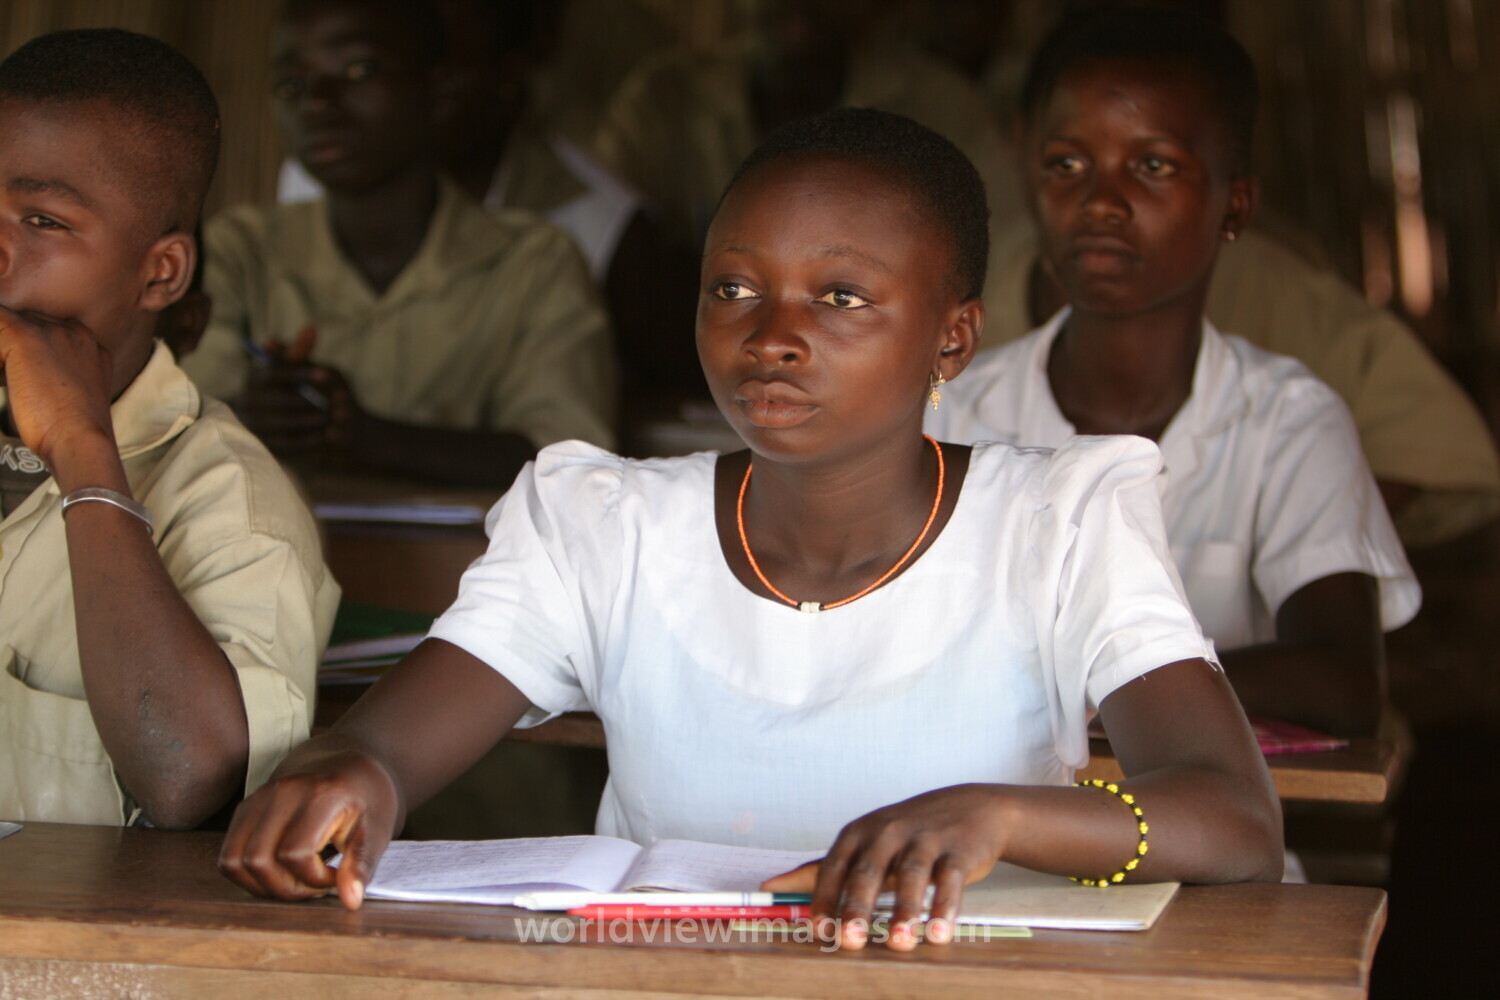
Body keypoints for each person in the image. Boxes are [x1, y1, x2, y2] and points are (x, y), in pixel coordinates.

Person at [219, 109, 1282, 952]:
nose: (772, 336)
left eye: (841, 296)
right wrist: (350, 772)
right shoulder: (607, 527)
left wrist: (999, 819)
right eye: (733, 287)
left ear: (952, 339)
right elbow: (384, 748)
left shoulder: (1058, 523)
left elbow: (1234, 816)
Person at [928, 7, 1420, 737]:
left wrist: (1087, 688)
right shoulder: (953, 410)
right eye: (1067, 164)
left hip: (1207, 850)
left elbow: (1340, 680)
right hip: (985, 848)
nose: (1099, 201)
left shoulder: (1286, 422)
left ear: (1235, 204)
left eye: (1153, 166)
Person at [0, 29, 339, 828]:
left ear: (162, 272)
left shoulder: (234, 506)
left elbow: (189, 772)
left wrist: (84, 453)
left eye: (43, 221)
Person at [182, 0, 616, 488]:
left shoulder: (533, 264)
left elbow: (571, 463)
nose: (318, 100)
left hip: (464, 562)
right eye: (292, 83)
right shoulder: (240, 250)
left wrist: (371, 439)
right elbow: (172, 432)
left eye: (358, 69)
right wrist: (252, 415)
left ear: (438, 87)